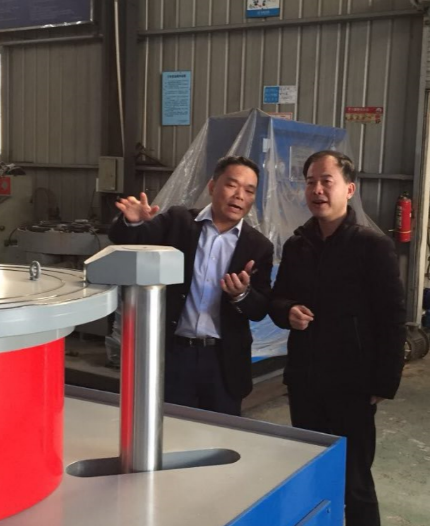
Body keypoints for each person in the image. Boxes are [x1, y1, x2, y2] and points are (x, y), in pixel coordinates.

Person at [269, 150, 406, 526]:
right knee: (310, 472)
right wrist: (288, 310)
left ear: (349, 189)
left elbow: (392, 317)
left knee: (355, 481)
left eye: (326, 181)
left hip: (353, 384)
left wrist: (384, 382)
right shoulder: (298, 245)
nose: (317, 190)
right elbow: (278, 298)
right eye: (310, 182)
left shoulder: (372, 246)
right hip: (306, 380)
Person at [109, 156, 273, 416]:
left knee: (221, 430)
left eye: (249, 190)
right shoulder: (178, 222)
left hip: (223, 361)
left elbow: (260, 308)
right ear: (212, 186)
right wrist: (133, 222)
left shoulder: (258, 246)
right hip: (175, 354)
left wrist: (242, 295)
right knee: (171, 427)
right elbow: (131, 240)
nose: (239, 196)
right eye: (232, 185)